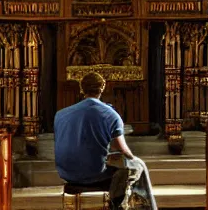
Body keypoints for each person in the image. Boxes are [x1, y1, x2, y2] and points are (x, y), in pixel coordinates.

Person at [54, 72, 157, 209]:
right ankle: (124, 205)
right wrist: (132, 158)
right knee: (138, 165)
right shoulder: (110, 114)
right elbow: (122, 150)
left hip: (67, 172)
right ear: (103, 88)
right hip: (94, 174)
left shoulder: (60, 114)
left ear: (81, 88)